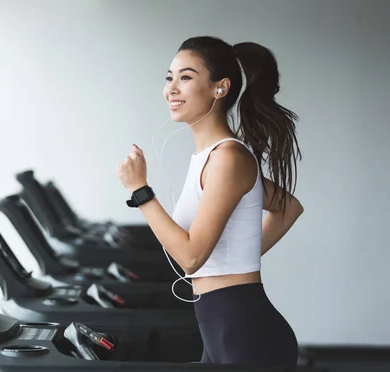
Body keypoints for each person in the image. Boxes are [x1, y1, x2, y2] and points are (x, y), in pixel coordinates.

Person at [117, 36, 304, 366]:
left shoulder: (228, 158)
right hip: (222, 328)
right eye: (169, 77)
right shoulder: (213, 157)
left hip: (245, 334)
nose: (171, 89)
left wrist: (141, 191)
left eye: (186, 77)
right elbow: (288, 207)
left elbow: (191, 258)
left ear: (220, 88)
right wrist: (239, 255)